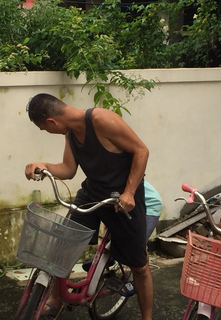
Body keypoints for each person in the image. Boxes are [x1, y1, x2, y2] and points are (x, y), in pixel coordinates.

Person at [24, 93, 153, 320]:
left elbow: (141, 151)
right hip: (92, 194)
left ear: (52, 122)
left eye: (45, 129)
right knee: (62, 245)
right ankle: (56, 299)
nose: (48, 132)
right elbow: (68, 169)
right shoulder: (71, 133)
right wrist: (43, 165)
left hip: (123, 201)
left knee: (140, 267)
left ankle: (147, 318)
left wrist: (130, 192)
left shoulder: (102, 120)